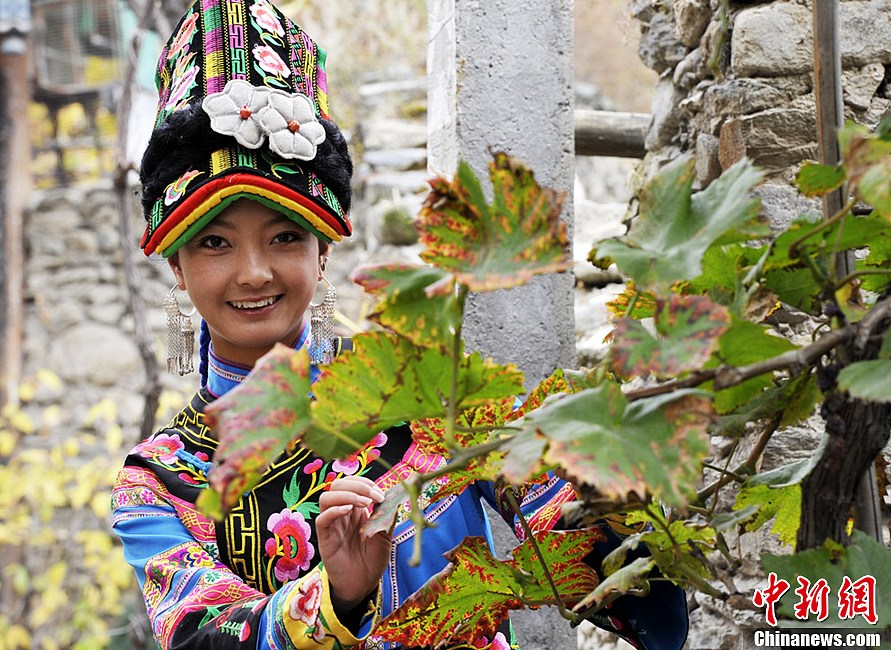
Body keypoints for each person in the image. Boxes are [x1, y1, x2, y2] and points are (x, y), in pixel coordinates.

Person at [111, 1, 689, 649]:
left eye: (284, 237)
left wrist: (612, 481)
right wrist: (337, 594)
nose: (253, 273)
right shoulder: (161, 480)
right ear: (176, 267)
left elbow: (636, 598)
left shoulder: (427, 390)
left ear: (322, 252)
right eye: (215, 243)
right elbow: (199, 637)